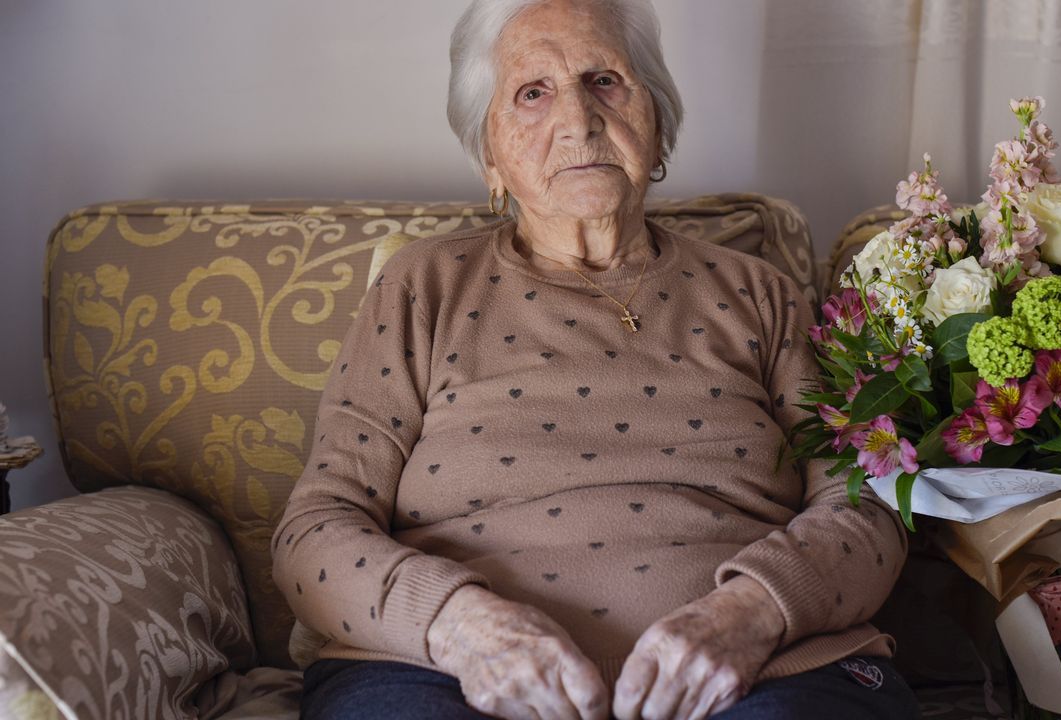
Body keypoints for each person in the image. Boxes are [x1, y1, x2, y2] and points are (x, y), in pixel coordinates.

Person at [272, 0, 916, 718]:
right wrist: (462, 628)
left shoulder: (760, 292)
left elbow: (865, 506)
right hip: (445, 676)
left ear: (658, 122)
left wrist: (750, 613)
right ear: (490, 153)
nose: (578, 120)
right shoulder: (421, 287)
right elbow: (317, 529)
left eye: (604, 80)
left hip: (763, 669)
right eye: (532, 93)